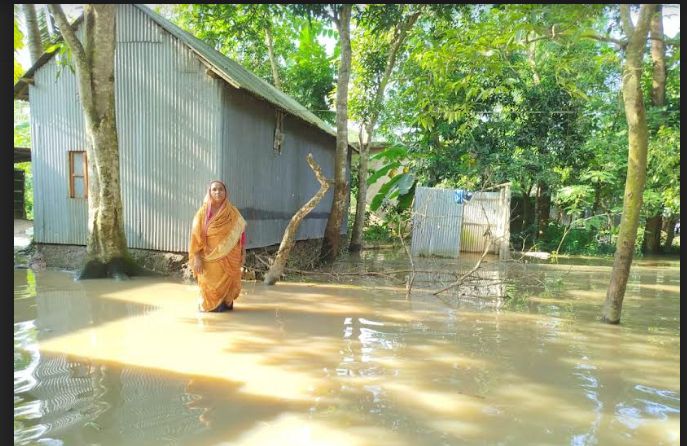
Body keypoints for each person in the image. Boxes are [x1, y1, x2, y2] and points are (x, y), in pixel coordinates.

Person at [189, 180, 246, 312]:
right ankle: (209, 307)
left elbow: (241, 234)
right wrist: (197, 257)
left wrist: (243, 252)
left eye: (221, 189)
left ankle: (226, 306)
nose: (218, 192)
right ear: (209, 192)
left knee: (227, 299)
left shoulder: (233, 212)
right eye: (214, 189)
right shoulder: (202, 214)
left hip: (231, 257)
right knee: (210, 290)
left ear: (226, 192)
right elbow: (195, 235)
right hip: (209, 259)